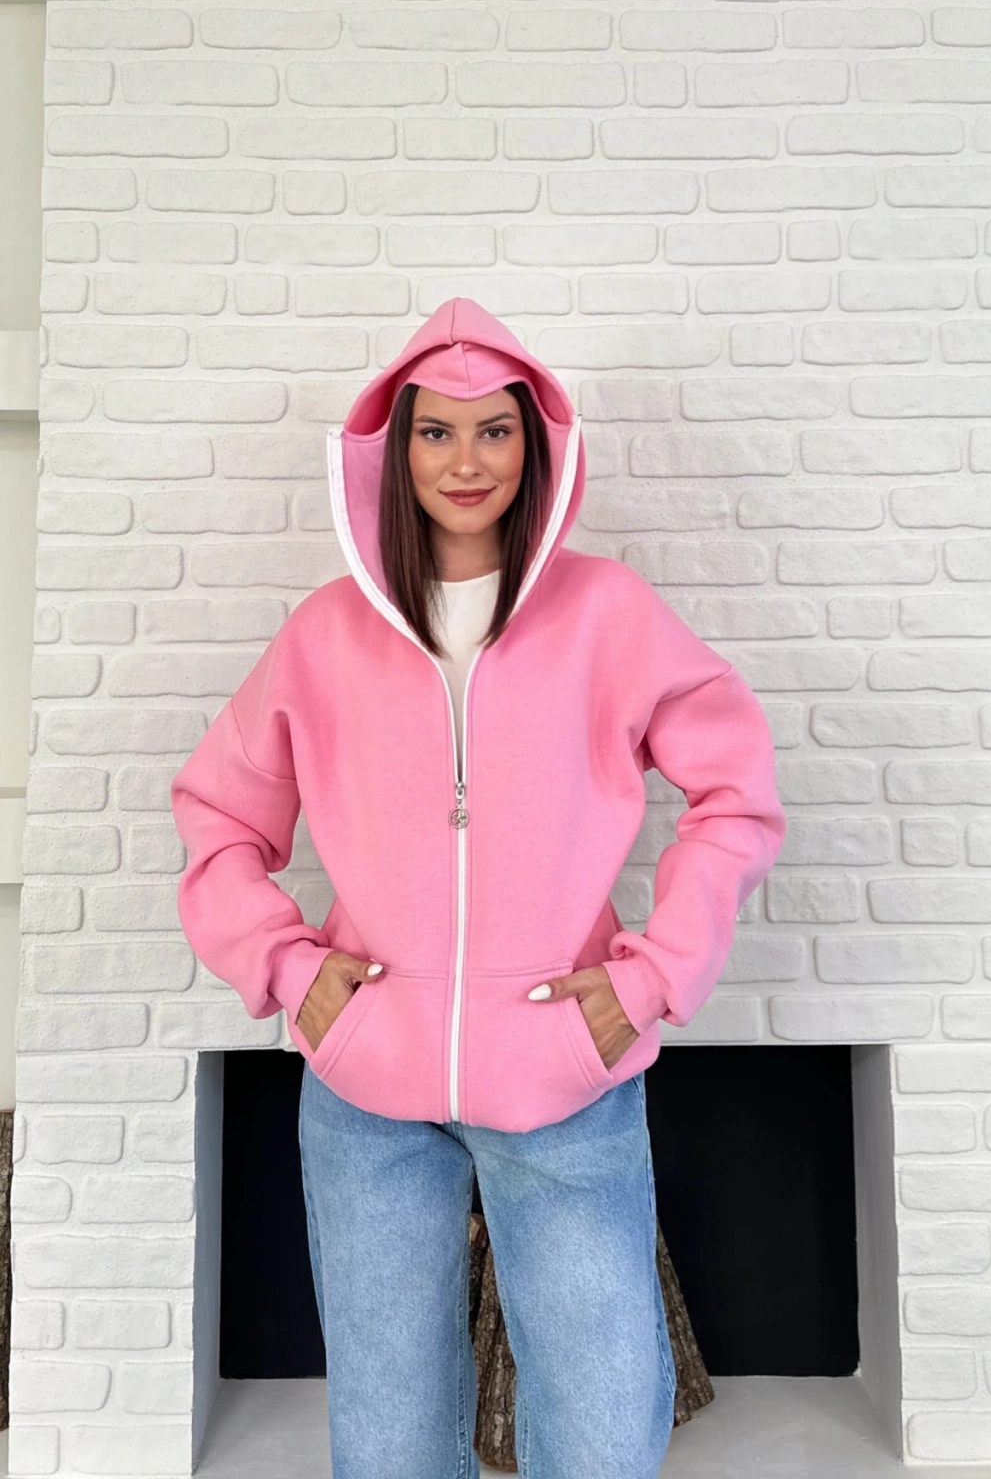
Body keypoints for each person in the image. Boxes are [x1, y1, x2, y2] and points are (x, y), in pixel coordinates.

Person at [170, 297, 787, 1478]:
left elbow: (737, 792)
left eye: (493, 430)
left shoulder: (608, 615)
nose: (466, 461)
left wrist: (648, 980)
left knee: (603, 1430)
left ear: (532, 445)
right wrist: (291, 971)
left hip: (564, 1076)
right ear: (394, 451)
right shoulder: (326, 635)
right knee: (389, 1440)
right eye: (436, 432)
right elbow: (218, 814)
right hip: (365, 1089)